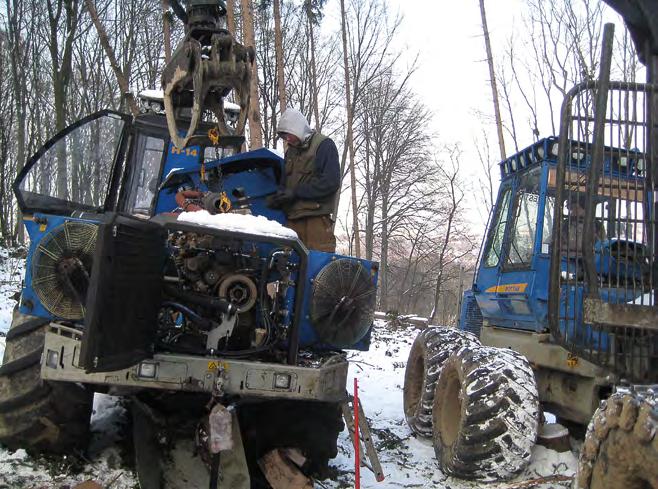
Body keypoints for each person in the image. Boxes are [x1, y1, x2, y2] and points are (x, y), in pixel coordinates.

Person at [267, 108, 340, 252]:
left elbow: (330, 182)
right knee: (286, 265)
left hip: (315, 220)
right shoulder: (290, 152)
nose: (287, 139)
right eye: (284, 136)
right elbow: (284, 183)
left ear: (298, 129)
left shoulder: (324, 146)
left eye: (288, 134)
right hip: (292, 221)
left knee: (316, 266)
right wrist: (278, 198)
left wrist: (296, 192)